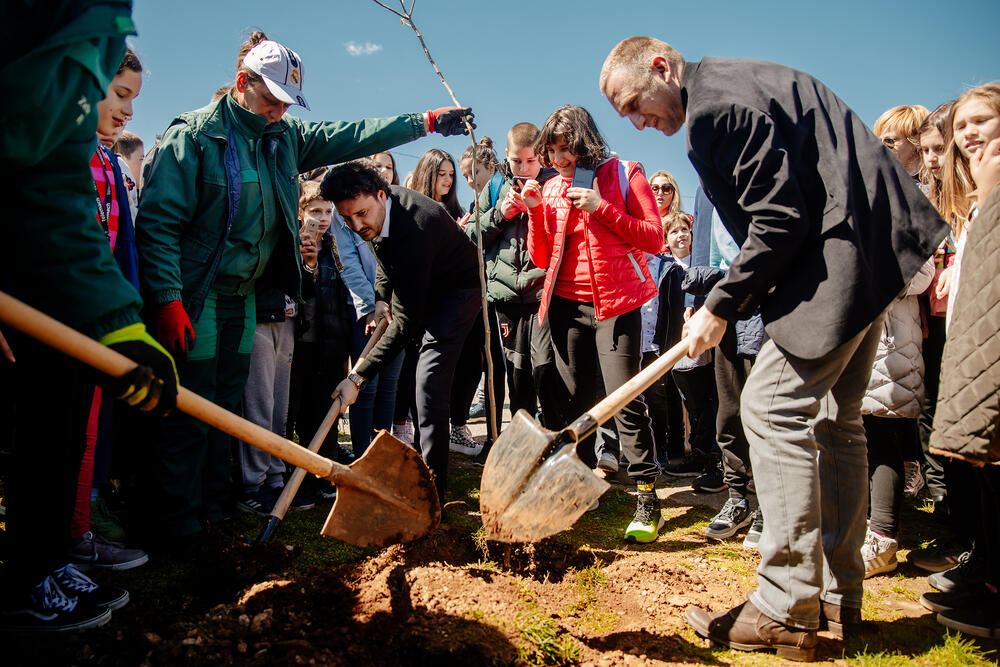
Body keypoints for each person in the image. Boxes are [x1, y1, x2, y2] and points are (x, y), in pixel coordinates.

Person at [600, 37, 947, 658]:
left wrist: (719, 305)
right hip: (872, 252)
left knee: (769, 407)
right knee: (838, 424)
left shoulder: (715, 109)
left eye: (633, 103)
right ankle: (837, 603)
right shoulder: (742, 83)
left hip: (840, 259)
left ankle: (786, 605)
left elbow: (780, 218)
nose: (635, 121)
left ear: (661, 66)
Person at [135, 31, 474, 545]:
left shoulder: (282, 138)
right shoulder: (196, 137)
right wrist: (166, 297)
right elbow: (157, 224)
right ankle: (176, 518)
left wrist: (424, 122)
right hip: (198, 295)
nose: (277, 113)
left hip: (246, 297)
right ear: (242, 82)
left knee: (227, 405)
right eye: (269, 101)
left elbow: (353, 133)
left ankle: (212, 506)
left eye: (284, 105)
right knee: (193, 400)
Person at [0, 1, 177, 632]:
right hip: (28, 308)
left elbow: (55, 197)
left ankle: (41, 563)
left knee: (58, 442)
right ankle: (23, 573)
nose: (122, 106)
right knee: (36, 443)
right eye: (115, 89)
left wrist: (118, 325)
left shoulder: (74, 129)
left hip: (68, 313)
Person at [522, 105, 664, 543]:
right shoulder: (550, 189)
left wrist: (602, 207)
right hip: (565, 305)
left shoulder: (625, 173)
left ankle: (647, 495)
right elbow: (542, 259)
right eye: (553, 152)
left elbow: (655, 238)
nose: (561, 160)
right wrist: (533, 212)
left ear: (585, 143)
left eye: (567, 150)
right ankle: (579, 486)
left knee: (624, 398)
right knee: (571, 401)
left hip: (617, 304)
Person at [324, 160, 482, 503]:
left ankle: (431, 492)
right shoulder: (376, 214)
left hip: (458, 292)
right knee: (420, 382)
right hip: (424, 283)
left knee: (428, 384)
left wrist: (357, 378)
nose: (357, 225)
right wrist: (381, 299)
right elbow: (384, 259)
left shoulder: (417, 225)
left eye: (362, 214)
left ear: (381, 195)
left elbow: (406, 324)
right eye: (348, 219)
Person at [926, 103, 1000, 638]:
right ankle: (987, 569)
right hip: (972, 343)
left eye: (982, 119)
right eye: (963, 126)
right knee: (986, 470)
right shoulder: (975, 201)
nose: (969, 132)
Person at [641, 170, 686, 467]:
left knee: (669, 391)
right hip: (642, 320)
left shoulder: (682, 224)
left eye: (666, 187)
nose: (660, 192)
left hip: (666, 317)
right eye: (654, 187)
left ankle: (675, 448)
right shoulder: (641, 215)